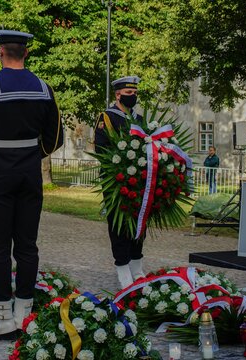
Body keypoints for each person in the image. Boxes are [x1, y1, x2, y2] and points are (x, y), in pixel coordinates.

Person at [0, 30, 63, 341]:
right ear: (26, 53)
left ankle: (3, 319)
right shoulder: (44, 89)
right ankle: (25, 315)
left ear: (1, 52)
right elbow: (56, 137)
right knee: (28, 245)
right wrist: (32, 154)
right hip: (30, 172)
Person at [94, 75, 146, 289]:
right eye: (128, 93)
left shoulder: (139, 119)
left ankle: (137, 265)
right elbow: (102, 149)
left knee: (138, 222)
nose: (132, 97)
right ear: (118, 94)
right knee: (119, 224)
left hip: (139, 181)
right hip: (116, 180)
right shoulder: (107, 117)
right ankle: (122, 267)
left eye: (135, 93)